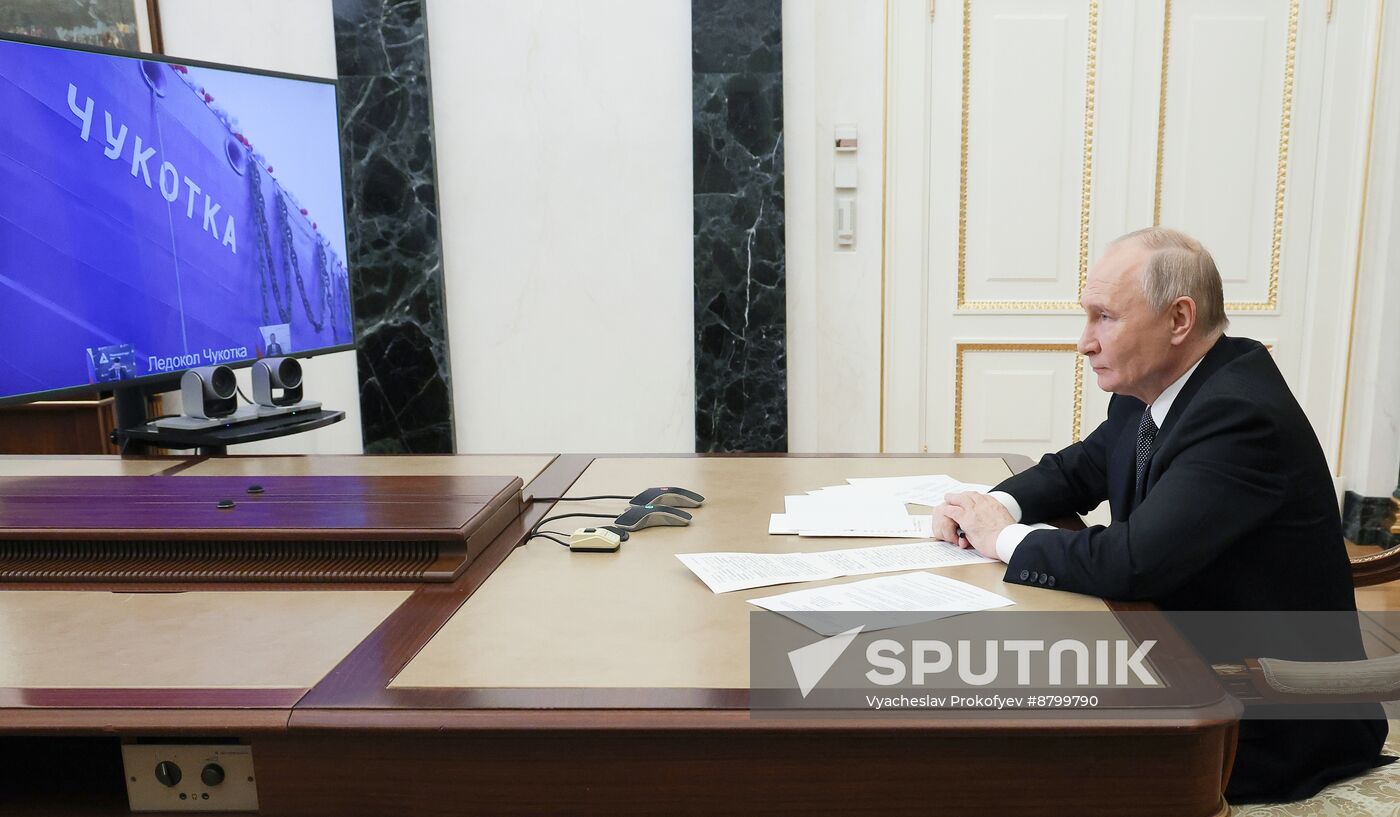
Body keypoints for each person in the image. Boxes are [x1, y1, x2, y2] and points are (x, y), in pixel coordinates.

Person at [935, 227, 1388, 803]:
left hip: (1261, 716)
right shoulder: (1157, 387)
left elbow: (1133, 563)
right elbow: (1077, 469)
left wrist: (1003, 539)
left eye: (1105, 317)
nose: (1085, 342)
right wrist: (993, 505)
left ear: (1178, 320)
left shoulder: (1239, 416)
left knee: (1011, 746)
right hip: (1181, 658)